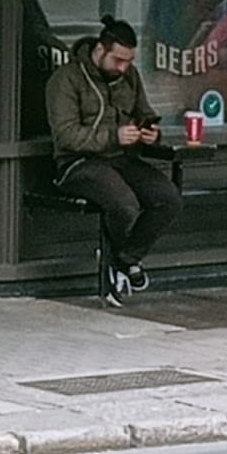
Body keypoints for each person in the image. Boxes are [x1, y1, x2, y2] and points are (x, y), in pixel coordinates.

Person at [45, 16, 182, 303]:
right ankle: (121, 264)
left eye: (129, 61)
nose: (123, 67)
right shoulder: (66, 79)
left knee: (168, 198)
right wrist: (113, 136)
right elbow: (66, 136)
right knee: (124, 204)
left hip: (122, 157)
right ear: (100, 50)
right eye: (118, 60)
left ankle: (124, 260)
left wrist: (150, 134)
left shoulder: (129, 77)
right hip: (78, 162)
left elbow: (145, 111)